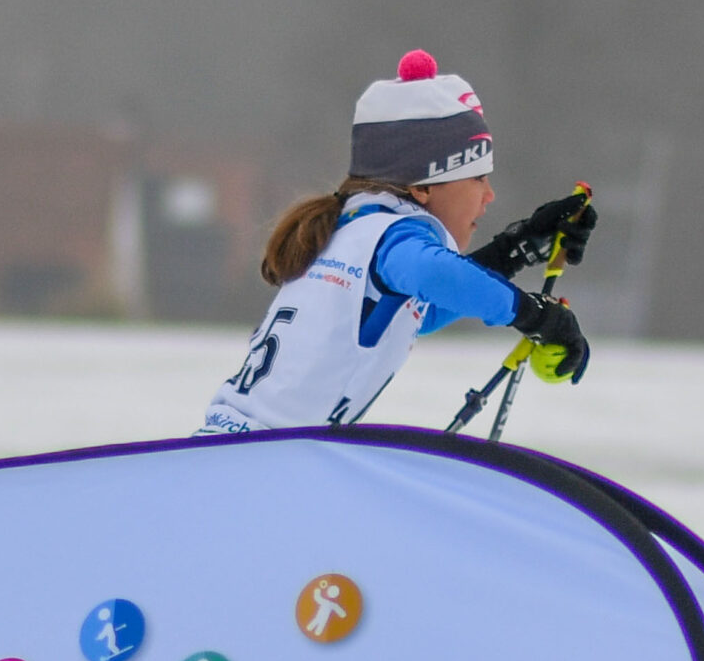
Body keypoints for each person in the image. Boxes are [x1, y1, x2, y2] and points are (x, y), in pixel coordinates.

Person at [198, 50, 595, 435]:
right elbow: (434, 273)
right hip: (271, 459)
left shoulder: (350, 228)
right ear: (422, 187)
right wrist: (534, 315)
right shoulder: (391, 234)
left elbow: (422, 310)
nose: (488, 195)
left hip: (239, 446)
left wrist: (516, 248)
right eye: (477, 178)